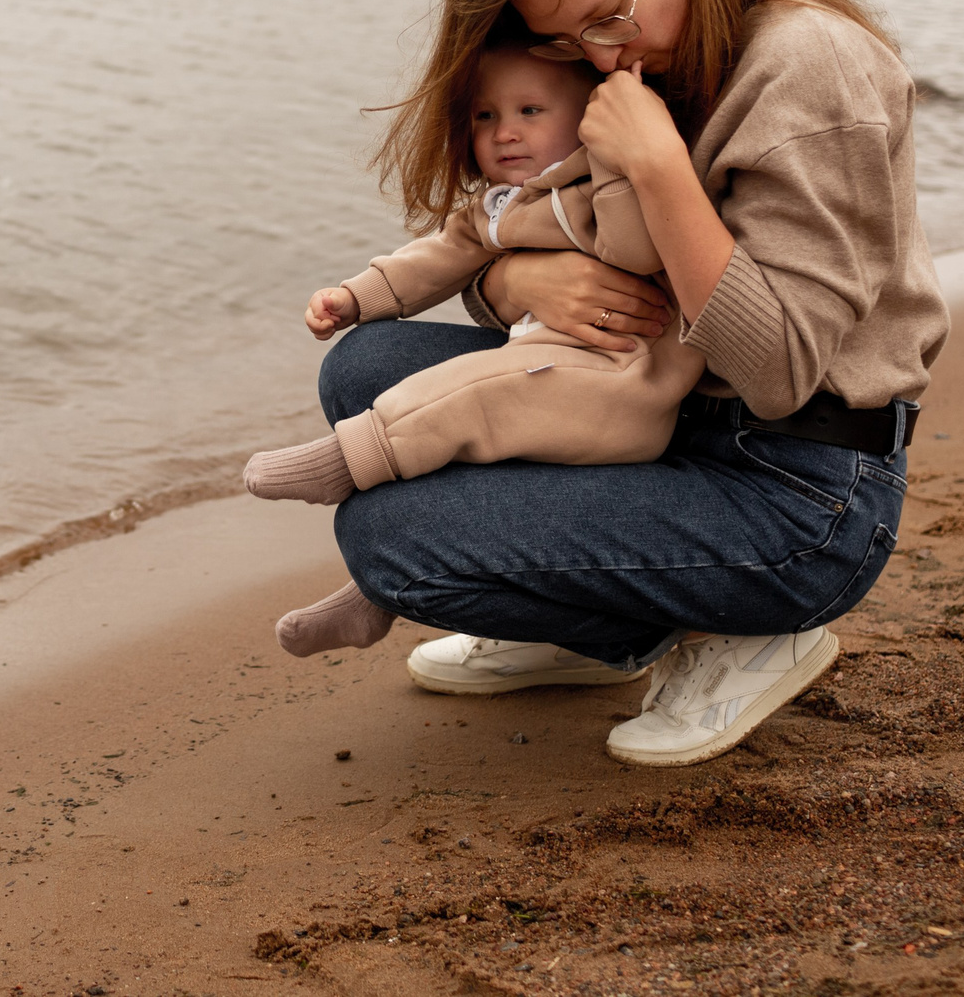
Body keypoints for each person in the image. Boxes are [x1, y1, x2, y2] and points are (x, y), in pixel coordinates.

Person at [321, 0, 946, 768]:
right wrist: (514, 276)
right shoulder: (633, 56)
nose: (604, 52)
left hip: (801, 486)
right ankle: (599, 625)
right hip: (656, 406)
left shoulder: (807, 67)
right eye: (562, 37)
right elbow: (531, 234)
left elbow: (779, 372)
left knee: (387, 538)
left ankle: (760, 629)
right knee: (361, 370)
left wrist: (658, 166)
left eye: (611, 12)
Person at [240, 35, 707, 656]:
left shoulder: (602, 187)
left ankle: (346, 463)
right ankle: (378, 589)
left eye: (530, 112)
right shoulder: (502, 205)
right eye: (486, 117)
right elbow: (436, 259)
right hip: (561, 376)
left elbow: (643, 251)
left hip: (620, 386)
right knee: (441, 411)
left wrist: (623, 161)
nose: (504, 133)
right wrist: (356, 297)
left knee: (471, 395)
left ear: (591, 117)